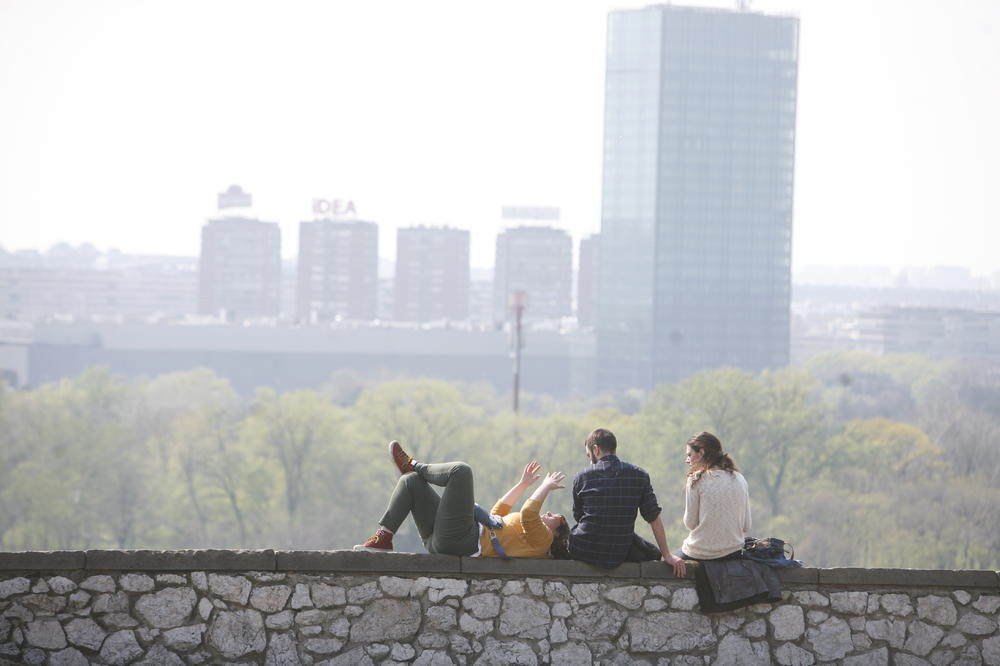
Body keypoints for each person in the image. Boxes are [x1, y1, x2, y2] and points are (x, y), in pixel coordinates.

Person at [354, 441, 570, 559]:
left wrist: (545, 487)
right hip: (440, 539)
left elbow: (529, 513)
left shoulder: (543, 540)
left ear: (557, 532)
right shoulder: (526, 533)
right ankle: (384, 537)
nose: (548, 514)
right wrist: (524, 484)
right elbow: (498, 511)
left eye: (555, 518)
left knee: (461, 471)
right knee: (411, 482)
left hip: (463, 539)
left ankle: (416, 465)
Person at [569, 428, 686, 576]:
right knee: (652, 553)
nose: (589, 460)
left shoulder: (582, 476)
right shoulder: (639, 475)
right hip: (619, 550)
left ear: (595, 449)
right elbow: (653, 518)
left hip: (585, 548)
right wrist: (667, 555)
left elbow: (578, 516)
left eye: (588, 455)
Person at [680, 431, 751, 561]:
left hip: (700, 552)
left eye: (689, 455)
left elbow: (690, 524)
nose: (687, 460)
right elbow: (746, 525)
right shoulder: (740, 478)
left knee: (668, 561)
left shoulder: (696, 479)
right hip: (733, 551)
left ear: (701, 453)